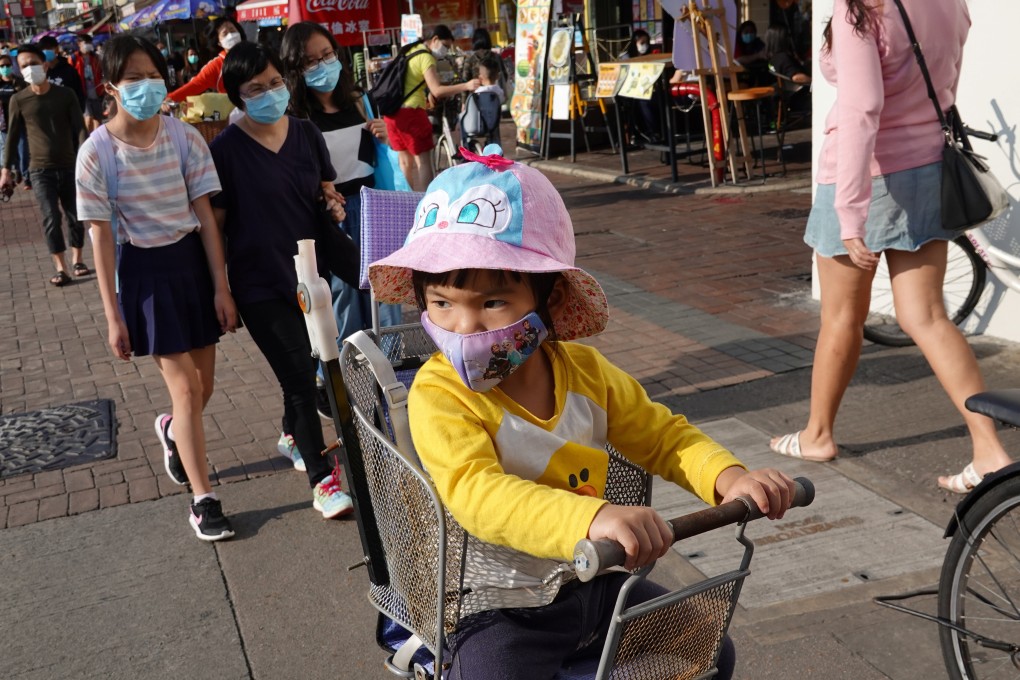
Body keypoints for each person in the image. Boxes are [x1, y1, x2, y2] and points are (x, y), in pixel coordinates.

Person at [368, 147, 796, 678]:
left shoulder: (586, 372)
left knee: (708, 650)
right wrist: (594, 516)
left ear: (547, 298)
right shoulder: (440, 393)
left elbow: (663, 436)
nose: (465, 326)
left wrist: (729, 478)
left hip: (593, 584)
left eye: (493, 303)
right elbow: (476, 493)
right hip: (496, 606)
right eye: (442, 303)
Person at [769, 0, 1012, 493]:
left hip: (868, 175)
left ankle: (818, 435)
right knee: (927, 316)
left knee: (841, 317)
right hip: (928, 168)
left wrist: (850, 211)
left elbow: (862, 109)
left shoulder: (861, 9)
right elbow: (943, 81)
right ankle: (989, 450)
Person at [74, 35, 237, 541]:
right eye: (134, 78)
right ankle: (203, 499)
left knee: (202, 389)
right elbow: (101, 238)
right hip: (144, 273)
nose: (147, 86)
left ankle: (170, 429)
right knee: (186, 388)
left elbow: (207, 218)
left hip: (191, 264)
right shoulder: (95, 153)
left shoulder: (185, 138)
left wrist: (221, 285)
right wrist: (113, 315)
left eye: (153, 75)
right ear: (110, 87)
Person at [209, 42, 356, 518]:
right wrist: (221, 287)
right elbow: (216, 223)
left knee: (305, 364)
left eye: (275, 83)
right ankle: (323, 480)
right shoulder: (225, 151)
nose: (271, 93)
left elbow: (325, 190)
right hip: (259, 283)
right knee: (298, 376)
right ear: (237, 98)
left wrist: (334, 204)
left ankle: (293, 433)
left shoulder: (307, 133)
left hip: (311, 274)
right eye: (257, 89)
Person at [281, 21, 402, 421]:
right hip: (330, 216)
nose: (322, 66)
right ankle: (345, 385)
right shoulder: (295, 116)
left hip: (372, 207)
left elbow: (380, 159)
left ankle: (394, 378)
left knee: (386, 297)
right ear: (295, 69)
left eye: (327, 55)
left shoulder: (359, 100)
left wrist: (386, 136)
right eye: (310, 61)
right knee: (343, 303)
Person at [0, 43, 89, 287]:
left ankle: (78, 259)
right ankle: (61, 267)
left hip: (70, 164)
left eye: (33, 63)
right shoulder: (19, 100)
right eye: (24, 66)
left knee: (74, 215)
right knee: (50, 216)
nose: (30, 69)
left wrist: (86, 157)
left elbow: (80, 128)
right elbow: (12, 136)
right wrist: (6, 171)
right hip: (39, 169)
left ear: (46, 64)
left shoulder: (65, 95)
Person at [382, 24, 479, 192]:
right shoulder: (426, 57)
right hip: (412, 113)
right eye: (446, 46)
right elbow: (437, 90)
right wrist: (467, 85)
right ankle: (428, 206)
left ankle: (406, 205)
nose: (446, 50)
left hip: (392, 114)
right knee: (423, 161)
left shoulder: (411, 50)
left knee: (404, 162)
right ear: (434, 40)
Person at [166, 17, 245, 103]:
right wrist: (170, 98)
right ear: (218, 42)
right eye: (225, 34)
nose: (231, 35)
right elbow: (195, 85)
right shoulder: (216, 65)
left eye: (232, 30)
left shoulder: (255, 53)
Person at [70, 34, 106, 133]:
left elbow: (102, 72)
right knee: (88, 118)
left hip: (96, 91)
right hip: (82, 93)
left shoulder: (96, 57)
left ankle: (97, 140)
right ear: (79, 44)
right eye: (86, 43)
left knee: (98, 119)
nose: (89, 45)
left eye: (90, 43)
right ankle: (87, 140)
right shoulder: (74, 58)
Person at [37, 36, 85, 108]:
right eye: (43, 49)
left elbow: (79, 93)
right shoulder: (39, 72)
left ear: (56, 49)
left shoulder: (69, 70)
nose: (46, 51)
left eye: (49, 48)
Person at [0, 51, 26, 179]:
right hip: (4, 123)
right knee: (8, 149)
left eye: (7, 65)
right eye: (2, 66)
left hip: (19, 121)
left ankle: (25, 174)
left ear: (11, 65)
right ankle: (16, 172)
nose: (5, 68)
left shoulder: (20, 82)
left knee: (22, 149)